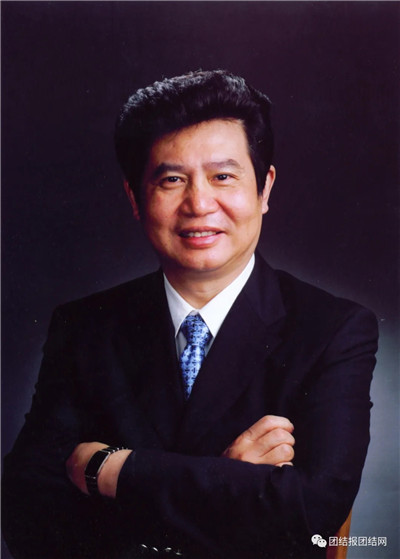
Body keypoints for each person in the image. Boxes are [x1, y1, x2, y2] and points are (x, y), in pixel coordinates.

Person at [2, 70, 378, 559]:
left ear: (264, 189)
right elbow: (26, 512)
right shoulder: (86, 326)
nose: (199, 204)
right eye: (172, 180)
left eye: (223, 176)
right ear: (135, 198)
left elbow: (311, 515)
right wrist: (226, 477)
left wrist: (111, 470)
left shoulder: (332, 329)